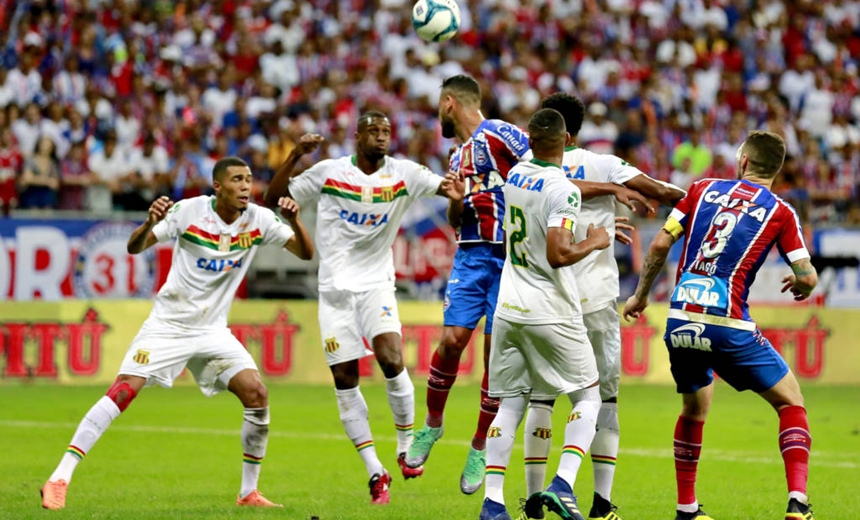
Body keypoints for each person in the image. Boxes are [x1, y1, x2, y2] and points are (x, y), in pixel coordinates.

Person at [406, 75, 650, 495]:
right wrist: (456, 200)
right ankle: (432, 425)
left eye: (437, 106)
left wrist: (606, 195)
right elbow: (455, 219)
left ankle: (480, 446)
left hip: (508, 257)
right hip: (470, 252)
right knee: (450, 341)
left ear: (449, 103)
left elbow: (551, 169)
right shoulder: (456, 154)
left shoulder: (499, 132)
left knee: (491, 356)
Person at [40, 157, 314, 511]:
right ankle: (59, 478)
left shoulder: (259, 220)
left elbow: (306, 254)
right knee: (124, 390)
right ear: (218, 187)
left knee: (256, 393)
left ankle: (248, 494)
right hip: (170, 324)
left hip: (213, 330)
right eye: (237, 180)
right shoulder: (189, 212)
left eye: (248, 179)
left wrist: (294, 220)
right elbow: (134, 247)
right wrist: (148, 223)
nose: (247, 186)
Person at [262, 111, 461, 505]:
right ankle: (375, 471)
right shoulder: (328, 172)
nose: (381, 137)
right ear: (357, 136)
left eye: (386, 131)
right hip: (335, 290)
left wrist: (457, 186)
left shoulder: (404, 173)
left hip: (376, 286)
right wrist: (295, 156)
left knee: (391, 358)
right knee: (345, 377)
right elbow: (271, 199)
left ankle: (406, 448)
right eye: (373, 131)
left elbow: (448, 190)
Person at [622, 131, 817, 520]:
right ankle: (798, 503)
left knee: (694, 408)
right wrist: (801, 283)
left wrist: (642, 295)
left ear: (743, 161)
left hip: (680, 319)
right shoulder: (780, 211)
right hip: (727, 322)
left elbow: (660, 245)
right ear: (776, 170)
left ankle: (686, 508)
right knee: (791, 402)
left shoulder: (702, 188)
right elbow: (807, 276)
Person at [520, 93, 686, 520]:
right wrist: (704, 197)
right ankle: (601, 503)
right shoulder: (607, 164)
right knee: (603, 398)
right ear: (576, 130)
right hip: (594, 300)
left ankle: (534, 503)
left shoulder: (526, 167)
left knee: (541, 398)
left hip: (547, 297)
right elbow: (662, 192)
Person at [479, 108, 610, 520]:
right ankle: (563, 483)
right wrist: (596, 241)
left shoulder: (515, 173)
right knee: (589, 396)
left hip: (508, 308)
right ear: (568, 140)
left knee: (510, 404)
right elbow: (559, 254)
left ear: (530, 139)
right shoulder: (563, 189)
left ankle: (493, 501)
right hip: (550, 308)